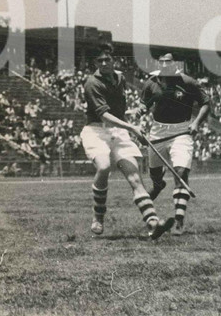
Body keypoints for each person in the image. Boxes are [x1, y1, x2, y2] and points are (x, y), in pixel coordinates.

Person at [79, 44, 175, 240]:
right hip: (96, 131)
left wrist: (132, 127)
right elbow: (104, 115)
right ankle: (98, 218)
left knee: (135, 178)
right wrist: (132, 128)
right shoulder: (92, 83)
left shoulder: (120, 78)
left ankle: (153, 224)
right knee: (104, 166)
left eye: (107, 59)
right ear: (94, 63)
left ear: (113, 59)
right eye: (100, 61)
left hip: (120, 132)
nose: (104, 63)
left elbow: (118, 112)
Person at [139, 52, 210, 236]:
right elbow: (144, 105)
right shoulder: (151, 83)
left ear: (174, 64)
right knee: (155, 177)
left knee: (181, 173)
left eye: (168, 62)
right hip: (157, 132)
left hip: (181, 132)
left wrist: (195, 123)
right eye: (161, 61)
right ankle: (158, 185)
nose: (164, 64)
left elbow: (205, 103)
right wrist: (140, 114)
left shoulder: (188, 82)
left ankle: (179, 220)